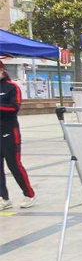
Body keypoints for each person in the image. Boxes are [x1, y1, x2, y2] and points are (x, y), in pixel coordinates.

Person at [0, 60, 36, 209]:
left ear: (2, 70)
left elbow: (14, 108)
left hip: (9, 131)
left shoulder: (12, 87)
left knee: (14, 164)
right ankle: (4, 198)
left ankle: (29, 194)